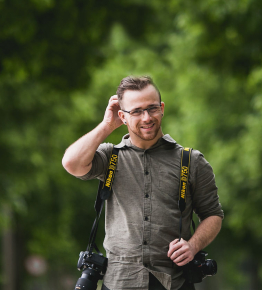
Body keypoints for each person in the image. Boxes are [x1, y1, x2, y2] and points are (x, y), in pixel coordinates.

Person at [62, 76, 223, 290]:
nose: (147, 117)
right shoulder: (110, 156)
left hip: (174, 282)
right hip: (118, 282)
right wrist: (106, 125)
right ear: (123, 116)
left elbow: (213, 214)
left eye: (152, 108)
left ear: (162, 108)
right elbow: (71, 163)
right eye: (136, 111)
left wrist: (192, 246)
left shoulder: (191, 161)